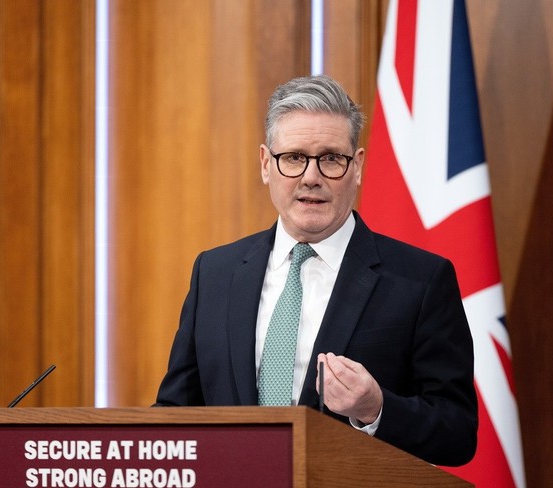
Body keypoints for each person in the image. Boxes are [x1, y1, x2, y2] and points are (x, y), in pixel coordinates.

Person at [155, 75, 477, 466]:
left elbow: (457, 433)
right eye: (294, 158)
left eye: (331, 159)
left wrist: (375, 409)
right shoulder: (215, 273)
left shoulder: (420, 281)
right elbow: (175, 412)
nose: (311, 177)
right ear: (266, 164)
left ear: (357, 166)